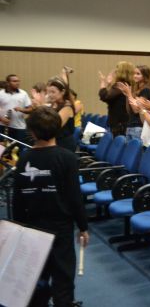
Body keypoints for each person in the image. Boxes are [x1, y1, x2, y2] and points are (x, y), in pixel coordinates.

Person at [13, 106, 89, 307]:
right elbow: (74, 198)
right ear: (58, 128)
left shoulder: (23, 159)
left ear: (32, 132)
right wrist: (83, 227)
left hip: (32, 227)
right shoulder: (67, 158)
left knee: (36, 275)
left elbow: (18, 199)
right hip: (61, 228)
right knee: (63, 276)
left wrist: (19, 228)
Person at [118, 65, 150, 141]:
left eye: (138, 74)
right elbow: (129, 110)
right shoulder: (136, 90)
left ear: (145, 76)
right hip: (130, 125)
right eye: (134, 73)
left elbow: (136, 110)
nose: (135, 76)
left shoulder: (146, 90)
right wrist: (127, 95)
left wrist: (129, 94)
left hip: (139, 126)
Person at [99, 61, 135, 137]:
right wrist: (109, 84)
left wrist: (103, 83)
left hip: (118, 123)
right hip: (119, 122)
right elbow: (110, 100)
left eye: (117, 69)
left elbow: (105, 97)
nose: (115, 71)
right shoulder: (127, 84)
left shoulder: (120, 85)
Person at [0, 74, 33, 146]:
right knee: (4, 149)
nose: (17, 83)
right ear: (8, 83)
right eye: (14, 81)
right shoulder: (1, 93)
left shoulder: (23, 94)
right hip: (3, 127)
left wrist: (22, 109)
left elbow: (31, 109)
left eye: (18, 81)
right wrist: (1, 119)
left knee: (19, 149)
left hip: (19, 128)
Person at [46, 77, 77, 153]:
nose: (50, 95)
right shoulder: (53, 105)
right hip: (55, 143)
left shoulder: (67, 107)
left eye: (53, 92)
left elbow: (54, 125)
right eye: (48, 92)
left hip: (64, 144)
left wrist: (41, 105)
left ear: (62, 92)